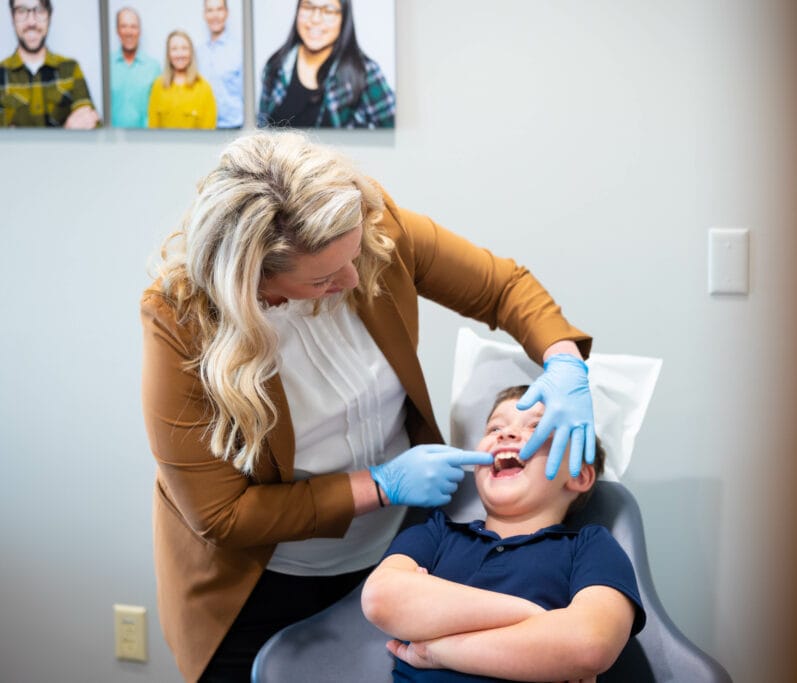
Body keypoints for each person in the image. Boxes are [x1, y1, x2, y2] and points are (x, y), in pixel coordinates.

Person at [140, 131, 597, 682]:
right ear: (255, 277)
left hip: (387, 547)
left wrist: (566, 362)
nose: (356, 279)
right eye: (326, 277)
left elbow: (501, 288)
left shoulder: (371, 232)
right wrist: (380, 484)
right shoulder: (182, 321)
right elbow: (221, 514)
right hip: (260, 581)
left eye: (353, 255)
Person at [361, 385, 645, 682]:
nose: (505, 434)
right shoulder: (435, 534)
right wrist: (540, 620)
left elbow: (590, 645)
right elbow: (381, 599)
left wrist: (437, 651)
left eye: (537, 426)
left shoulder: (591, 547)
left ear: (579, 475)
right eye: (495, 427)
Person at [258, 0, 395, 129]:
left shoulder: (365, 72)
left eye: (328, 11)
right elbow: (261, 132)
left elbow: (400, 136)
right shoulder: (276, 66)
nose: (315, 19)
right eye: (308, 7)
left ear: (344, 17)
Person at [1, 0, 99, 128]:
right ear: (12, 17)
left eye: (39, 10)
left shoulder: (70, 69)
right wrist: (67, 131)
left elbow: (92, 128)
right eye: (21, 11)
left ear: (49, 15)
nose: (31, 22)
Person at [147, 29, 216, 129]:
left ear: (191, 53)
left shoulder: (204, 88)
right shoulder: (157, 86)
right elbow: (152, 128)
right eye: (174, 49)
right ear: (168, 54)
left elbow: (209, 133)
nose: (180, 54)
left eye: (184, 48)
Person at [109, 6, 161, 128]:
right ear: (117, 30)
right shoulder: (107, 65)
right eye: (124, 26)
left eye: (133, 26)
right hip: (112, 141)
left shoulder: (153, 67)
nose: (129, 32)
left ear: (139, 31)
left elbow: (159, 107)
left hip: (146, 141)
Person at [195, 0, 243, 128]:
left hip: (234, 127)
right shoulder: (197, 53)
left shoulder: (240, 50)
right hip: (203, 127)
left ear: (226, 13)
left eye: (219, 9)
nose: (215, 15)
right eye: (210, 10)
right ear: (204, 15)